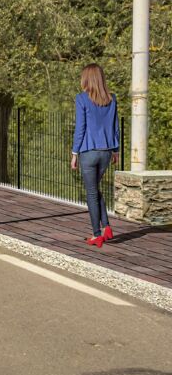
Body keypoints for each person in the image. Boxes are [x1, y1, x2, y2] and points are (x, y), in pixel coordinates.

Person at [71, 63, 120, 248]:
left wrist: (74, 153)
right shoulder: (112, 99)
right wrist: (116, 150)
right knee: (95, 189)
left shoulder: (81, 99)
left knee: (91, 192)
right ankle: (106, 227)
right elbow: (116, 127)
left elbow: (80, 128)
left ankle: (96, 234)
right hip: (106, 152)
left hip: (88, 152)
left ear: (86, 79)